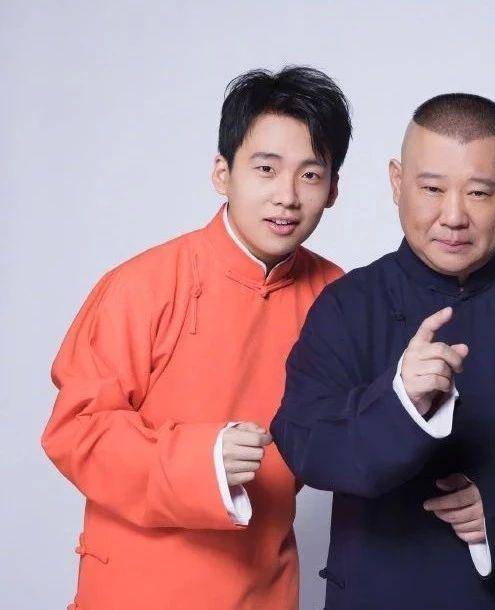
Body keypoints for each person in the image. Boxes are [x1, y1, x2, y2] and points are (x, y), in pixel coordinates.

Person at [271, 93, 495, 610]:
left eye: (480, 192)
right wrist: (402, 400)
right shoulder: (347, 305)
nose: (454, 216)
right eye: (432, 189)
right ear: (397, 183)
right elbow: (306, 445)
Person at [41, 66, 351, 610]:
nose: (286, 196)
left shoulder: (338, 296)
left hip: (265, 586)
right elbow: (76, 431)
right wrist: (201, 459)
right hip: (138, 589)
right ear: (222, 173)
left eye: (309, 174)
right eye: (266, 169)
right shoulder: (142, 284)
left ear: (333, 191)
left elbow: (367, 430)